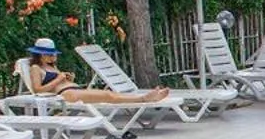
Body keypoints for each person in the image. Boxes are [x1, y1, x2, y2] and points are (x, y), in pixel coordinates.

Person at [23, 38, 170, 104]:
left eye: (54, 54)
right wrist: (59, 79)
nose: (54, 57)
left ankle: (145, 98)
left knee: (110, 94)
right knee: (107, 95)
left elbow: (59, 82)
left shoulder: (52, 67)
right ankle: (144, 99)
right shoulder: (36, 68)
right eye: (51, 54)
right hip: (67, 95)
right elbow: (38, 90)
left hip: (73, 89)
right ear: (41, 54)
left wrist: (67, 78)